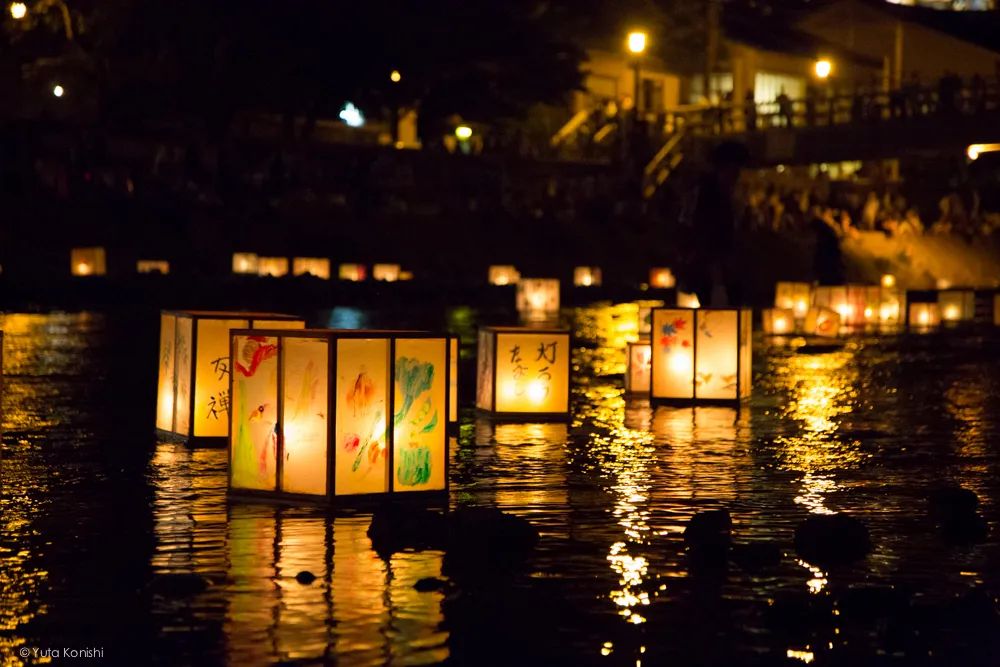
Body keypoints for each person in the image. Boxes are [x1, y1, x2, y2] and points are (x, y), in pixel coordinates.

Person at [683, 140, 750, 307]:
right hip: (712, 272)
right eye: (735, 170)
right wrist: (717, 276)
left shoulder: (712, 192)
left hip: (714, 269)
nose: (737, 176)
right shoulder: (710, 196)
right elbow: (707, 235)